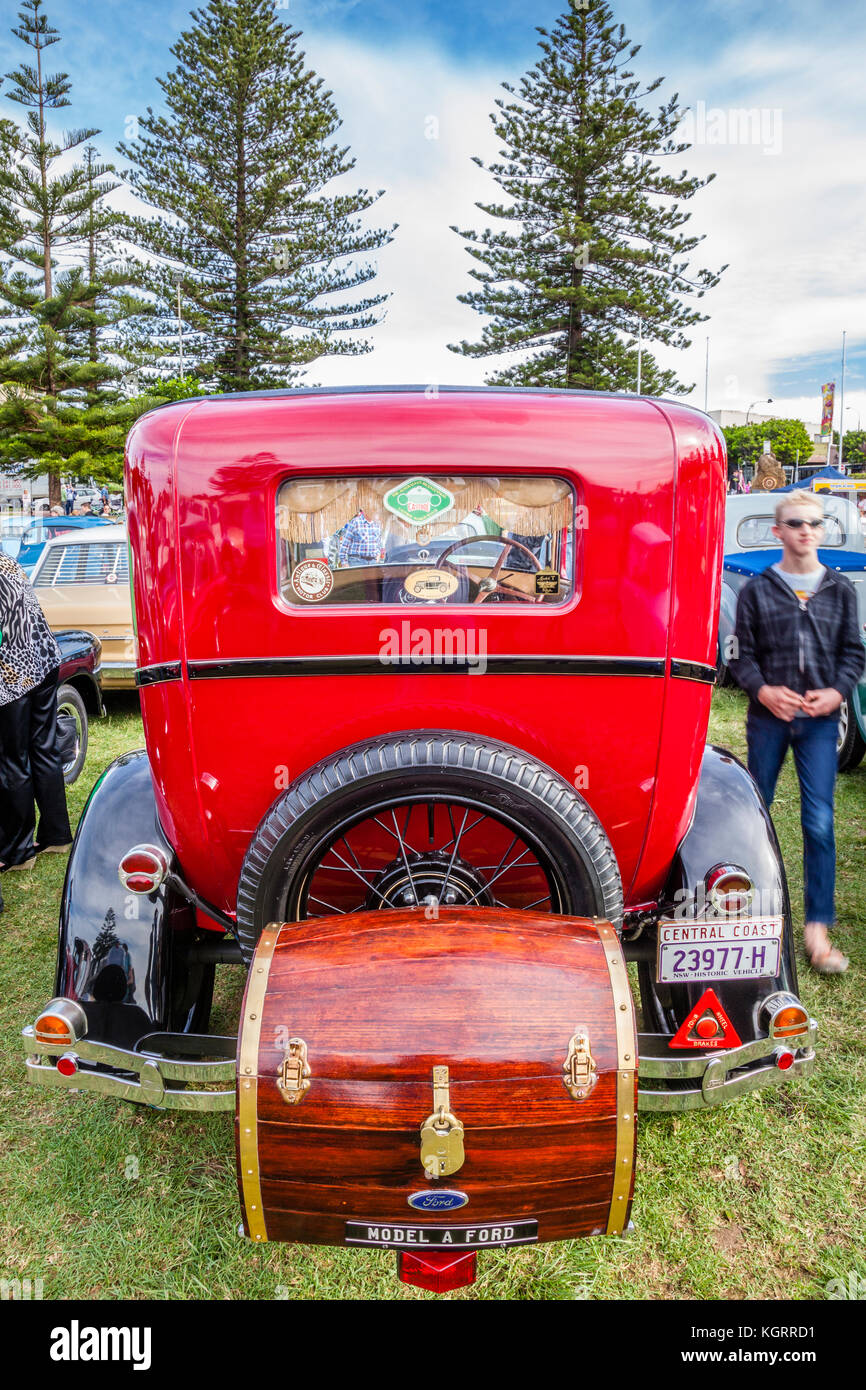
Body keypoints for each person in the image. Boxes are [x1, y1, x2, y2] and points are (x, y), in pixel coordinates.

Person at [728, 490, 865, 973]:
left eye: (814, 523)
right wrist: (764, 691)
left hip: (820, 723)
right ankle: (746, 918)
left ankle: (816, 931)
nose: (806, 530)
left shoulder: (840, 590)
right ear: (778, 531)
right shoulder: (757, 591)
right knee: (753, 815)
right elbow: (740, 658)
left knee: (820, 823)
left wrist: (837, 692)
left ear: (822, 531)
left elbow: (854, 652)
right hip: (769, 719)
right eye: (796, 523)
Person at [0, 553, 73, 874]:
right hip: (43, 657)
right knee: (43, 747)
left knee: (12, 759)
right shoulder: (5, 559)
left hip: (12, 672)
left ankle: (18, 852)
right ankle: (57, 835)